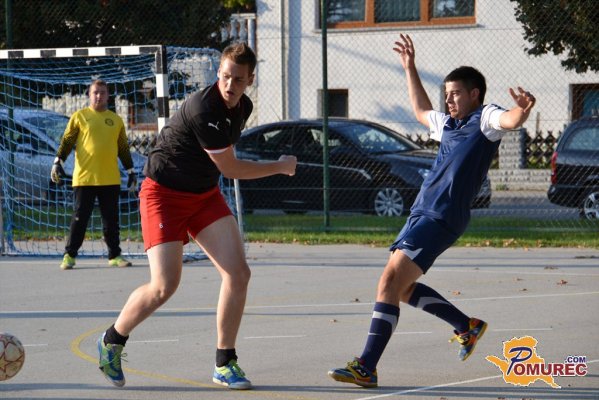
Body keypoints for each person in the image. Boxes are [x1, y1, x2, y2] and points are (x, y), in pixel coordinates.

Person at [328, 33, 536, 388]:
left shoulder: (485, 118)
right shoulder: (449, 125)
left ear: (474, 94)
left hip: (442, 216)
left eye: (455, 93)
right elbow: (421, 111)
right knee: (402, 288)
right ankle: (466, 326)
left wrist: (523, 111)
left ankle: (366, 366)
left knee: (388, 281)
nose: (449, 99)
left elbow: (510, 120)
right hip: (421, 213)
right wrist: (409, 67)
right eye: (447, 94)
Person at [96, 42, 297, 390]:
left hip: (203, 195)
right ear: (218, 73)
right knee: (164, 285)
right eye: (225, 76)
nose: (230, 84)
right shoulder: (204, 107)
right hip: (163, 195)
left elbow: (222, 159)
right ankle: (112, 340)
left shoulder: (243, 107)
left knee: (238, 273)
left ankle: (225, 363)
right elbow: (231, 168)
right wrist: (279, 166)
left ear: (250, 79)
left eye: (238, 79)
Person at [51, 79, 136, 270]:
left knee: (111, 220)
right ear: (89, 95)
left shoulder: (115, 120)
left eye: (102, 92)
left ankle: (115, 255)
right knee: (79, 219)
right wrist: (58, 162)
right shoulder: (79, 117)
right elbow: (67, 142)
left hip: (110, 179)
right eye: (95, 92)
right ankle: (69, 255)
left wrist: (131, 171)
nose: (99, 96)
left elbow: (123, 148)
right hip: (85, 178)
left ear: (108, 96)